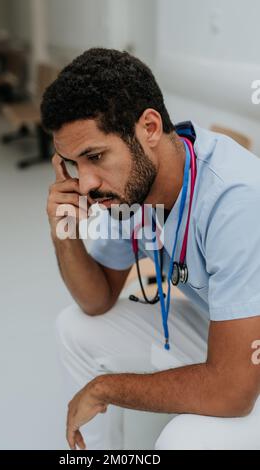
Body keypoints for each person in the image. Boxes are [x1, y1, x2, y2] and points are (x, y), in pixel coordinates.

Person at [41, 48, 260, 450]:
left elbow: (233, 390)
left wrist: (106, 388)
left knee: (183, 440)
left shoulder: (237, 199)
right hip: (227, 330)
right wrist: (64, 230)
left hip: (248, 362)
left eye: (95, 156)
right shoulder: (132, 189)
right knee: (75, 328)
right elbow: (97, 300)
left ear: (150, 128)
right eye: (74, 164)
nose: (85, 183)